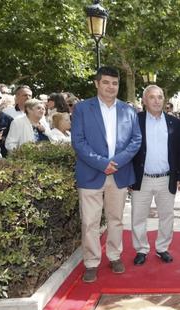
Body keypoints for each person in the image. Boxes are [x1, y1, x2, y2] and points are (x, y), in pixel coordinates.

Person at [71, 66, 142, 283]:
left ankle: (114, 255)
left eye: (115, 83)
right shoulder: (83, 109)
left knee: (116, 219)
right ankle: (91, 262)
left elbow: (136, 140)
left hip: (118, 174)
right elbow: (78, 141)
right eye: (106, 82)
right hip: (91, 173)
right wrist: (102, 163)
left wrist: (117, 162)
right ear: (97, 83)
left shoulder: (129, 111)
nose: (111, 87)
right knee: (90, 222)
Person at [131, 85, 180, 266]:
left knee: (167, 216)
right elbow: (128, 149)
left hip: (166, 178)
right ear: (145, 100)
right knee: (138, 216)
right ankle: (141, 249)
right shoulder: (135, 120)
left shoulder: (175, 123)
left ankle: (162, 248)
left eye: (160, 97)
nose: (157, 101)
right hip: (142, 178)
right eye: (152, 97)